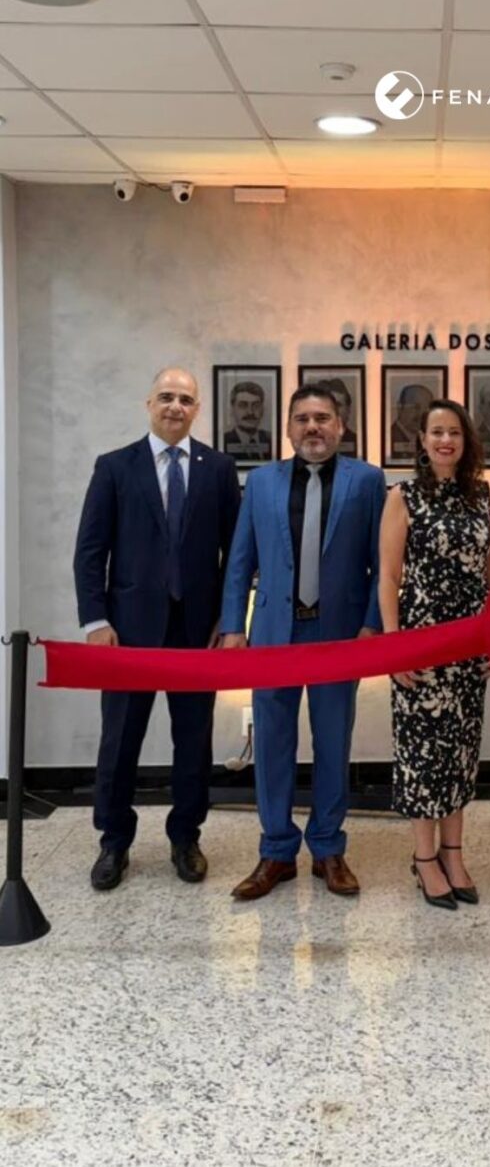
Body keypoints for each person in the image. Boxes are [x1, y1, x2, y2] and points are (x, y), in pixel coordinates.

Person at [73, 367, 241, 890]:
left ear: (197, 410)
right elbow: (90, 551)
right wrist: (96, 620)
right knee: (119, 741)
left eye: (185, 399)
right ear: (149, 403)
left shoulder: (219, 469)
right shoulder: (114, 467)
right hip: (127, 634)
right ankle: (114, 841)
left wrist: (229, 618)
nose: (175, 406)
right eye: (166, 396)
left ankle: (185, 837)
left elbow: (236, 554)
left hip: (198, 633)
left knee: (193, 743)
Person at [221, 384, 385, 901]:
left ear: (341, 426)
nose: (313, 427)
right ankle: (276, 851)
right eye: (302, 419)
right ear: (289, 428)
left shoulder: (367, 480)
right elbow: (240, 559)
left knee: (333, 742)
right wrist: (233, 626)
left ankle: (328, 848)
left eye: (323, 418)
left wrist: (373, 624)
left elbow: (383, 561)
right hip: (274, 634)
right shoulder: (261, 482)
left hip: (339, 635)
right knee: (272, 743)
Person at [379, 400, 490, 909]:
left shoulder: (483, 495)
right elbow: (389, 576)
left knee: (460, 754)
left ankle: (454, 854)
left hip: (471, 645)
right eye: (436, 432)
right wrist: (393, 646)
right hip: (421, 645)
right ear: (422, 440)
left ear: (465, 439)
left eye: (454, 431)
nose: (445, 440)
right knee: (422, 756)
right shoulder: (402, 496)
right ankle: (424, 858)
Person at [223, 380, 273, 461]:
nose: (250, 412)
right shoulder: (224, 441)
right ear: (232, 409)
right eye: (243, 405)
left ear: (262, 409)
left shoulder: (271, 439)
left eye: (256, 406)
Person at [309, 376, 358, 457]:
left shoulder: (358, 441)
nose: (333, 411)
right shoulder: (306, 442)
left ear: (348, 409)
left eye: (338, 405)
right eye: (326, 406)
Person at [390, 382, 433, 459]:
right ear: (400, 407)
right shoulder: (389, 439)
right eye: (416, 407)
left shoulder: (430, 440)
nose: (420, 414)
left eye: (426, 409)